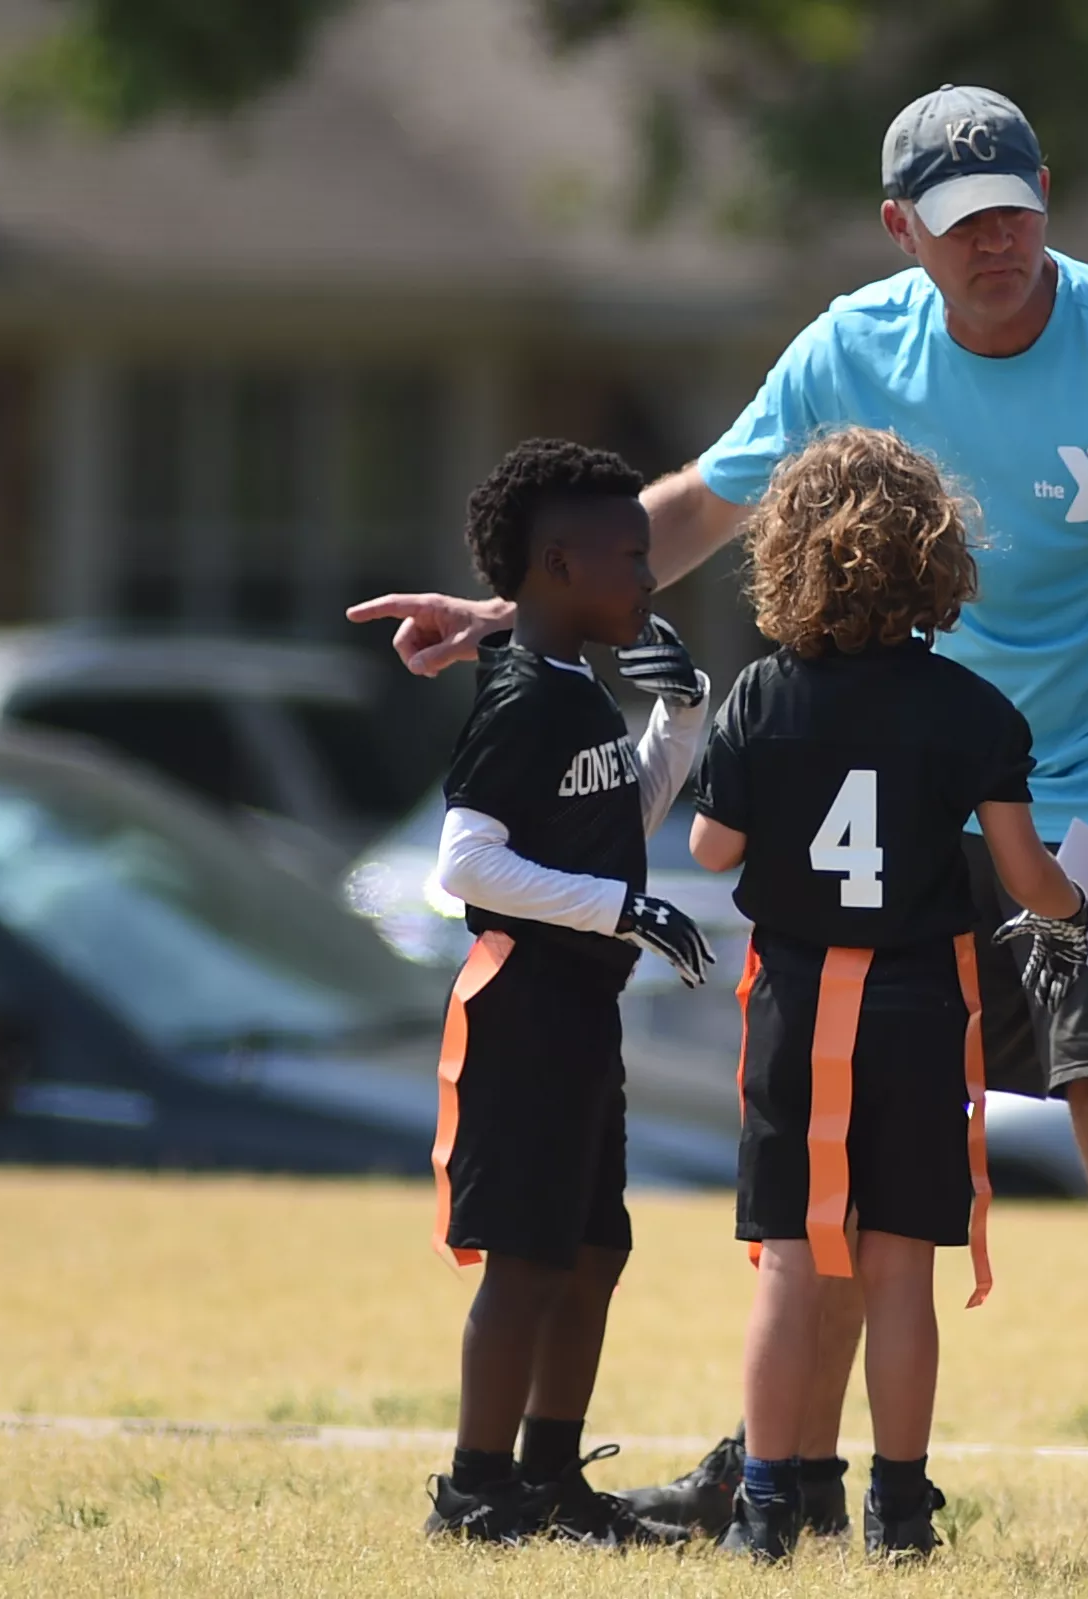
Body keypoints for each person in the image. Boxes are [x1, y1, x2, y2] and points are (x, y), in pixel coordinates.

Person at [350, 83, 1088, 1559]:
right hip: (923, 798)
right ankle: (777, 1458)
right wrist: (520, 612)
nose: (995, 244)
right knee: (854, 1151)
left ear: (1046, 193)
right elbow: (697, 510)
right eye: (960, 222)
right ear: (897, 230)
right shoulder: (851, 349)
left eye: (1014, 212)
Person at [687, 427, 1088, 1562]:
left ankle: (765, 1506)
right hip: (919, 1006)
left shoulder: (764, 693)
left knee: (787, 1255)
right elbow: (1024, 876)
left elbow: (715, 852)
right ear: (934, 556)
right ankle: (899, 1510)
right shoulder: (971, 710)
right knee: (902, 1262)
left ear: (788, 555)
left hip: (799, 1001)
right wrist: (1075, 913)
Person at [421, 440, 720, 1545]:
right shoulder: (518, 696)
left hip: (582, 1008)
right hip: (525, 1008)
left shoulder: (575, 686)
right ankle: (475, 1489)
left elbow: (611, 825)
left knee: (595, 1249)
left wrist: (679, 719)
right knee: (530, 1253)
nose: (648, 579)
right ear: (556, 566)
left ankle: (551, 1478)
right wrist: (625, 912)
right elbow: (464, 863)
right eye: (630, 558)